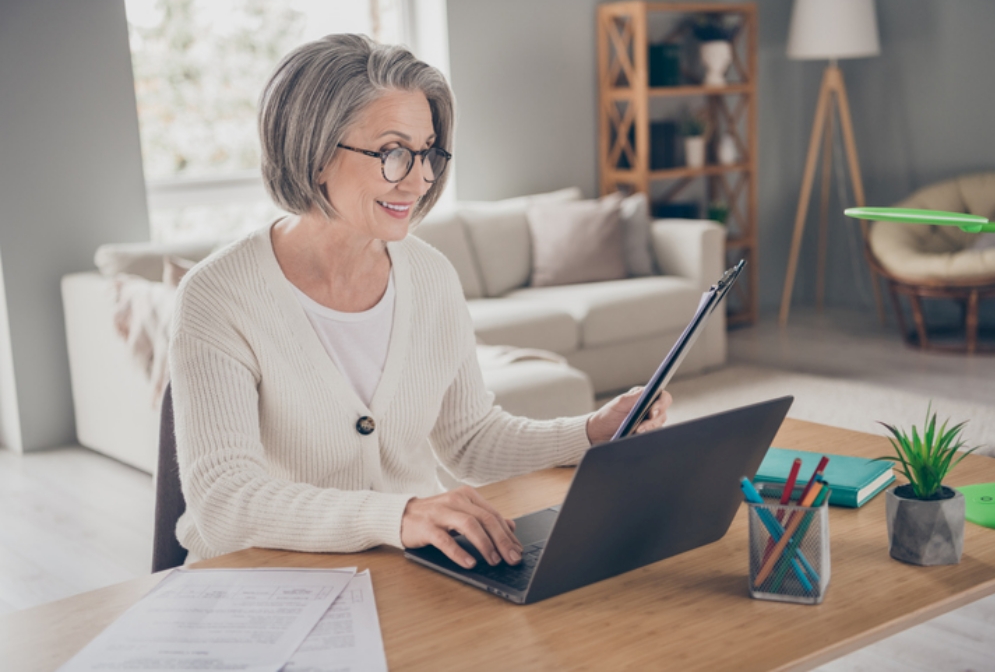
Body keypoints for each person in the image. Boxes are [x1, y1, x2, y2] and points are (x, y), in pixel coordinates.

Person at [168, 34, 672, 569]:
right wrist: (400, 515)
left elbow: (471, 440)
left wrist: (591, 431)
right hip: (265, 582)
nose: (421, 178)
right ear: (313, 155)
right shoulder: (216, 296)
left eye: (428, 152)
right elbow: (223, 501)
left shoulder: (430, 275)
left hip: (404, 572)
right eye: (393, 153)